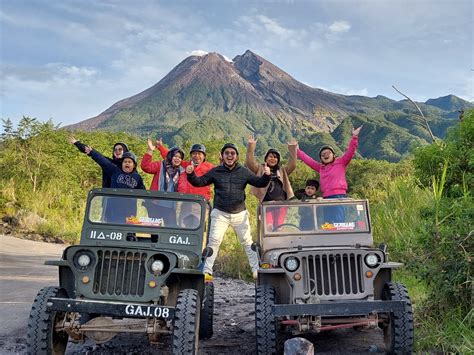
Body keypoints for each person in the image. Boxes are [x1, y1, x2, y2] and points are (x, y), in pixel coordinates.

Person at [186, 143, 271, 280]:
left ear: (236, 156)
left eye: (232, 153)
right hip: (220, 213)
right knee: (214, 242)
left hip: (240, 213)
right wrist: (190, 174)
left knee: (247, 242)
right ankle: (207, 271)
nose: (229, 155)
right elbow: (199, 182)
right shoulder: (216, 171)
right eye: (227, 153)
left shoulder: (243, 171)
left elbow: (259, 182)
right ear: (222, 156)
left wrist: (267, 175)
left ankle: (256, 270)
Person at [297, 126, 363, 222]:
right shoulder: (321, 167)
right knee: (328, 223)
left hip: (339, 196)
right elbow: (308, 160)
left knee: (338, 222)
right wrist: (297, 151)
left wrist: (354, 137)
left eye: (328, 153)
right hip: (326, 198)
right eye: (322, 155)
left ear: (333, 155)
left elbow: (351, 151)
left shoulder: (341, 162)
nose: (325, 155)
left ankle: (340, 236)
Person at [81, 145, 145, 223]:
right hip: (113, 209)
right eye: (125, 162)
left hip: (129, 211)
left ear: (134, 165)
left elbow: (143, 192)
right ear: (122, 164)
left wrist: (147, 203)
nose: (127, 163)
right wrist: (92, 152)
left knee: (128, 231)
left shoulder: (137, 177)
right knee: (111, 227)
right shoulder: (115, 171)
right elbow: (103, 161)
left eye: (129, 162)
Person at [246, 136, 297, 230]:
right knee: (268, 227)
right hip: (266, 204)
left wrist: (293, 149)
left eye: (275, 157)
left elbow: (293, 165)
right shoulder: (260, 168)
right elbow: (250, 162)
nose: (273, 159)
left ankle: (279, 244)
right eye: (270, 156)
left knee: (280, 227)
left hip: (281, 204)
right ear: (266, 159)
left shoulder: (282, 170)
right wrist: (251, 146)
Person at [140, 139, 185, 226]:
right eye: (175, 156)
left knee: (171, 229)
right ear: (170, 156)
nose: (177, 159)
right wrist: (150, 151)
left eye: (180, 157)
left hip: (171, 207)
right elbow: (145, 167)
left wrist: (161, 147)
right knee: (154, 231)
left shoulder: (181, 171)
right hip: (155, 204)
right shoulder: (160, 165)